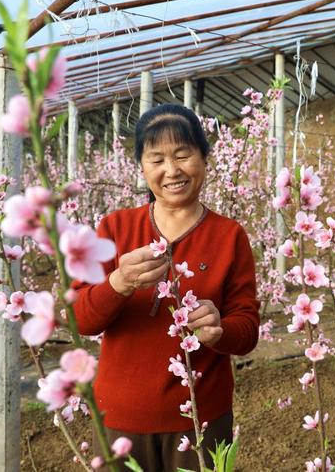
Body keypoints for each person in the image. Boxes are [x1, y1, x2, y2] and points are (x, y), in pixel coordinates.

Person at [73, 103, 260, 471]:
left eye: (183, 155)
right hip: (121, 419)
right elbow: (81, 318)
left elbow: (248, 328)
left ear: (204, 159)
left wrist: (218, 329)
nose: (171, 170)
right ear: (142, 169)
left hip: (200, 419)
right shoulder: (115, 229)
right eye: (156, 159)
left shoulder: (229, 235)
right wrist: (119, 282)